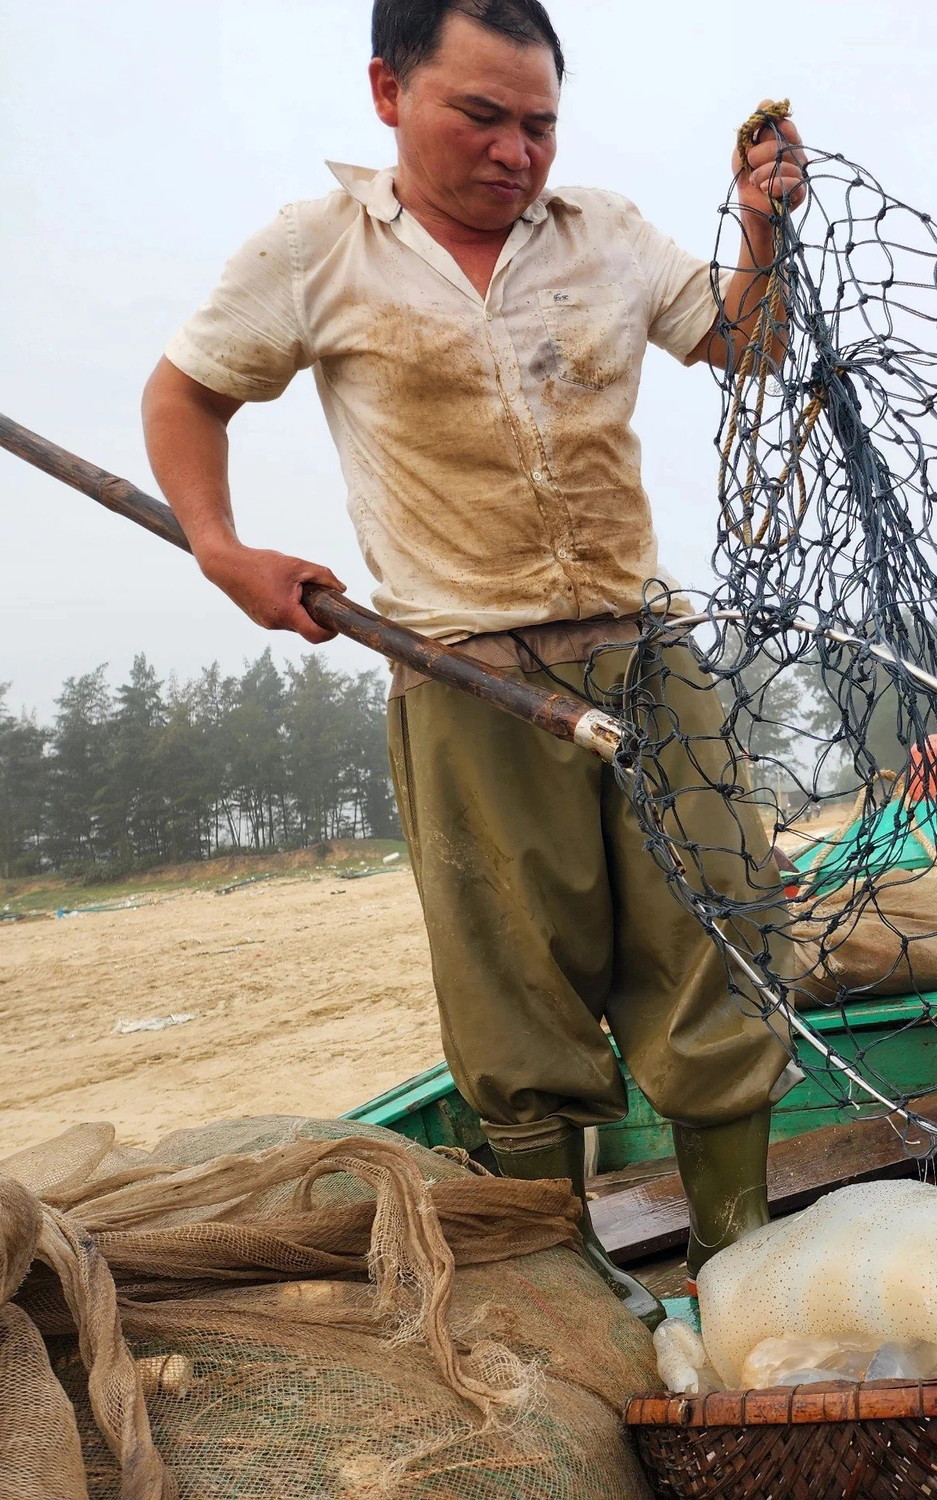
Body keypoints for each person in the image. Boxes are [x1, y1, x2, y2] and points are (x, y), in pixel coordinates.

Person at [140, 0, 808, 1317]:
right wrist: (223, 551)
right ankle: (571, 1304)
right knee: (518, 991)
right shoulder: (314, 251)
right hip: (464, 675)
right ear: (389, 92)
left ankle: (737, 1272)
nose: (516, 152)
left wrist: (761, 232)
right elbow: (187, 393)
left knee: (719, 938)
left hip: (645, 651)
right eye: (483, 117)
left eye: (540, 125)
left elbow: (745, 346)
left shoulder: (604, 233)